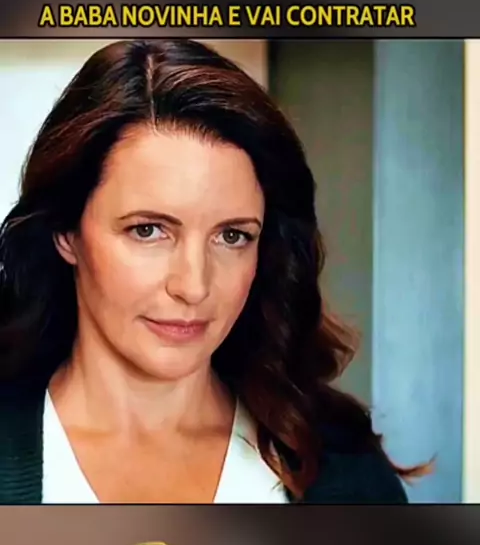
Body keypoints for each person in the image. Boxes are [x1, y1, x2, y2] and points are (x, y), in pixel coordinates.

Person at [0, 39, 420, 504]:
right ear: (66, 232)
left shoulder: (343, 471)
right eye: (148, 230)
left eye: (232, 236)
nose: (194, 286)